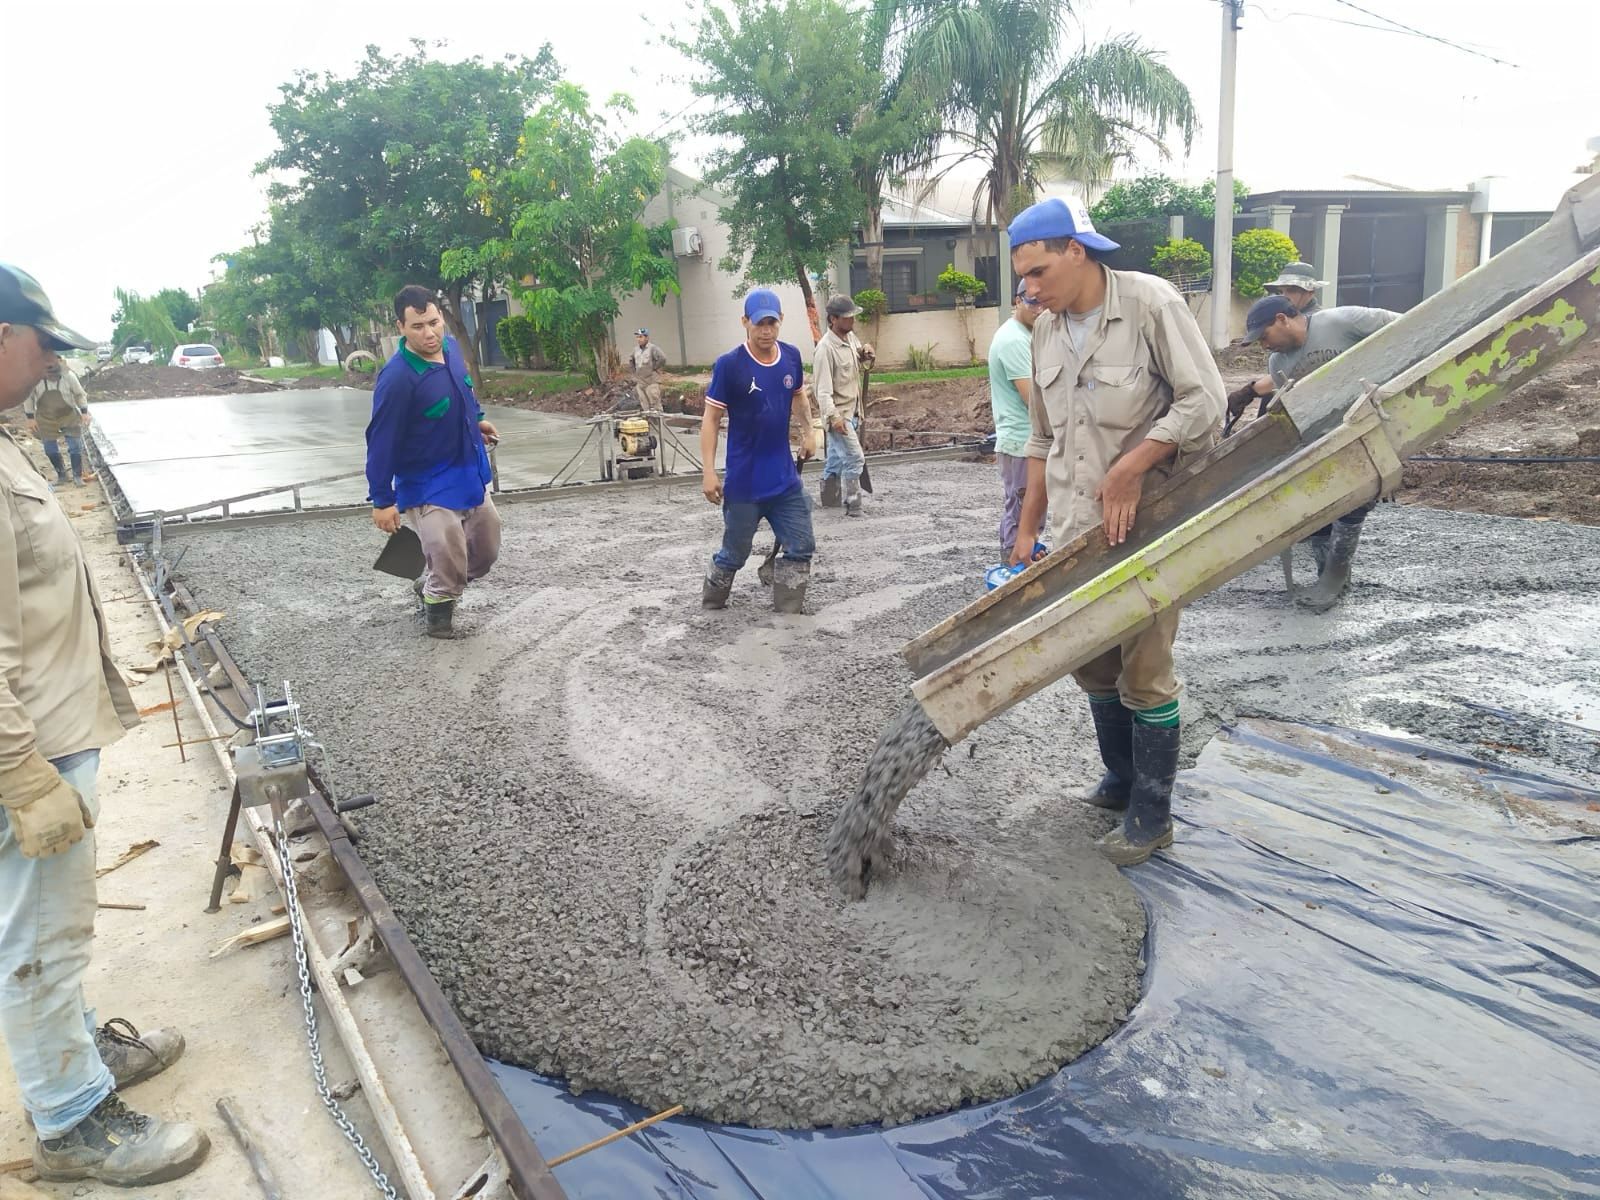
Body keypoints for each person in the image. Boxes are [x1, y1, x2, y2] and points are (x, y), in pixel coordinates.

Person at [0, 263, 208, 1186]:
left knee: (53, 926)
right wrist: (23, 776)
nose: (50, 361)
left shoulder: (7, 439)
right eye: (39, 341)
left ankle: (80, 1049)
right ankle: (74, 1119)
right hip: (29, 747)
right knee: (40, 939)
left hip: (54, 729)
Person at [1006, 198, 1225, 866]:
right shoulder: (1044, 331)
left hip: (1148, 525)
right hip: (1077, 532)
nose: (1030, 289)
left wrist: (1133, 464)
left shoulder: (1151, 306)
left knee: (1146, 670)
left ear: (1077, 250)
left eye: (1040, 272)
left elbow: (1205, 402)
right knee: (1092, 663)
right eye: (1023, 278)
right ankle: (1122, 779)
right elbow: (1042, 438)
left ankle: (1152, 817)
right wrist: (1027, 528)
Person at [1241, 294, 1399, 611]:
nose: (1264, 346)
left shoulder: (1343, 321)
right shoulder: (1279, 363)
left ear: (1282, 319)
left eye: (1264, 337)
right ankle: (1329, 574)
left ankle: (1334, 579)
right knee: (1319, 508)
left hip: (1370, 423)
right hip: (1325, 441)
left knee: (1353, 505)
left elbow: (1414, 327)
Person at [366, 284, 501, 640]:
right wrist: (382, 500)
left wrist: (477, 422)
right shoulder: (396, 379)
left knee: (486, 548)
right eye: (418, 327)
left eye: (434, 322)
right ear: (401, 327)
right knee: (446, 545)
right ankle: (438, 613)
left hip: (467, 469)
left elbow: (464, 392)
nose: (429, 333)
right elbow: (380, 440)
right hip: (426, 480)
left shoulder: (452, 350)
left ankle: (433, 579)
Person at [699, 289, 817, 613]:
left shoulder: (791, 357)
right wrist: (709, 472)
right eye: (759, 323)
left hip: (783, 479)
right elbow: (710, 420)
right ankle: (712, 602)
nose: (766, 331)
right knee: (734, 554)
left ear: (780, 322)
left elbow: (798, 397)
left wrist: (810, 431)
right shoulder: (730, 366)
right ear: (745, 322)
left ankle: (789, 614)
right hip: (744, 483)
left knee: (802, 543)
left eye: (772, 323)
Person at [1226, 261, 1328, 426]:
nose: (1285, 295)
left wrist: (1250, 391)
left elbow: (1298, 369)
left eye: (1292, 290)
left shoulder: (1317, 323)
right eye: (1282, 291)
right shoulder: (1281, 317)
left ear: (1310, 291)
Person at [987, 279, 1045, 554]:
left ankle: (1023, 563)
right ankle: (1014, 567)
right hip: (1021, 442)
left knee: (1031, 512)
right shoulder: (1013, 340)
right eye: (1033, 301)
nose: (1040, 308)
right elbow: (1034, 400)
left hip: (1028, 440)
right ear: (1018, 300)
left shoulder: (1029, 334)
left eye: (1045, 301)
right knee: (1023, 512)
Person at [813, 295, 875, 516]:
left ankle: (829, 499)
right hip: (839, 415)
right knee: (855, 458)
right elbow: (822, 391)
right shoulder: (824, 350)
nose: (852, 321)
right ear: (833, 319)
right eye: (847, 317)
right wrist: (834, 417)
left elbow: (858, 356)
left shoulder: (850, 339)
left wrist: (864, 352)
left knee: (836, 459)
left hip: (854, 410)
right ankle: (854, 505)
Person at [24, 360, 95, 485]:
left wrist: (84, 412)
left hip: (68, 416)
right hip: (45, 418)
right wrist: (30, 418)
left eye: (55, 375)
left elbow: (79, 395)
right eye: (50, 375)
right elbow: (28, 398)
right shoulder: (35, 379)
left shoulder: (69, 377)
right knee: (50, 450)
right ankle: (61, 475)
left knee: (75, 447)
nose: (53, 377)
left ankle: (77, 476)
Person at [630, 328, 668, 412]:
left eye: (641, 337)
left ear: (646, 338)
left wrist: (654, 367)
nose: (638, 339)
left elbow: (662, 358)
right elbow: (631, 361)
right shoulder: (636, 350)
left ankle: (659, 423)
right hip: (640, 382)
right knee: (644, 405)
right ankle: (649, 423)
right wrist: (634, 374)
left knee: (655, 404)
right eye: (637, 337)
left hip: (651, 381)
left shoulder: (653, 348)